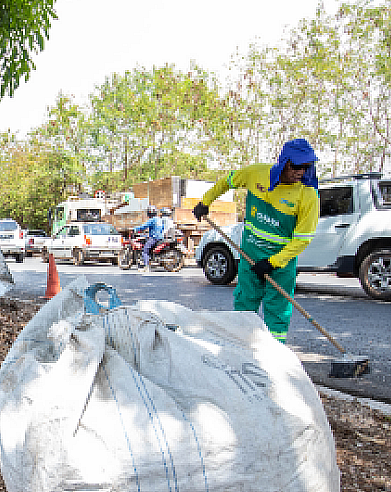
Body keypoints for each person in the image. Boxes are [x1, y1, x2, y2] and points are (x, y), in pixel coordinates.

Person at [193, 138, 320, 343]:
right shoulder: (256, 174)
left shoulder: (308, 195)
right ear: (284, 162)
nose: (301, 172)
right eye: (296, 166)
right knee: (245, 302)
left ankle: (274, 352)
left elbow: (303, 239)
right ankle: (240, 347)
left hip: (281, 261)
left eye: (306, 167)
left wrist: (273, 262)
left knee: (278, 309)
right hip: (250, 254)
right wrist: (205, 202)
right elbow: (228, 180)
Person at [133, 207, 167, 271]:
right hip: (160, 237)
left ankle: (146, 267)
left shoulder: (152, 220)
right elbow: (162, 228)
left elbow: (144, 226)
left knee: (145, 250)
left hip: (154, 238)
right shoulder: (159, 219)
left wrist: (135, 229)